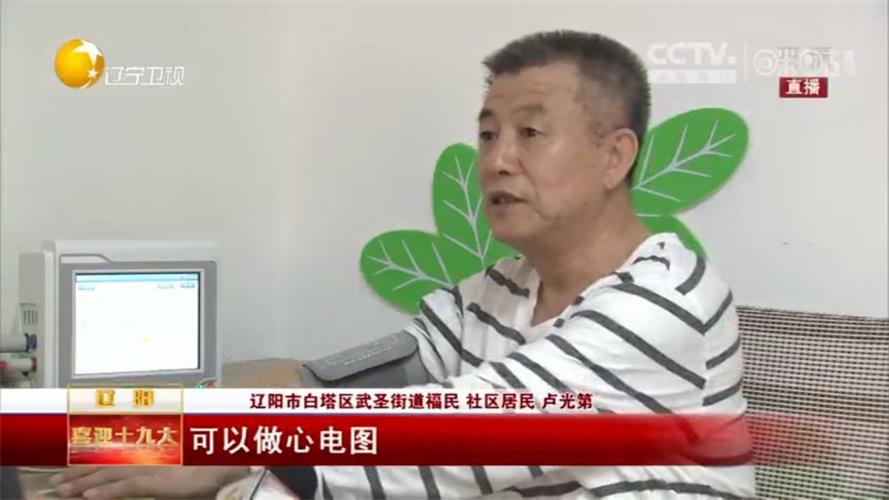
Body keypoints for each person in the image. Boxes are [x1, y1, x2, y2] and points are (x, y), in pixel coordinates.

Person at [51, 30, 755, 499]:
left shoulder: (664, 304)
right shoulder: (498, 289)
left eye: (530, 132)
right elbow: (333, 385)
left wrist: (225, 451)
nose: (497, 160)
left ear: (614, 155)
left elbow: (457, 433)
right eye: (487, 134)